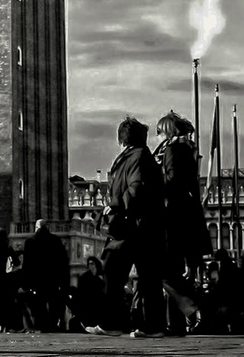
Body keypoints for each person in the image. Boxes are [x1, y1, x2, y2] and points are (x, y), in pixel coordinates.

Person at [87, 116, 165, 338]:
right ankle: (150, 326)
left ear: (122, 139)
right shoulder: (138, 156)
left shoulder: (136, 157)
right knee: (147, 277)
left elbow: (136, 188)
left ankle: (115, 324)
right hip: (142, 226)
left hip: (133, 226)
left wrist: (114, 205)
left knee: (115, 271)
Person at [153, 110, 210, 333]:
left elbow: (172, 180)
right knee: (173, 271)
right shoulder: (186, 148)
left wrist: (154, 183)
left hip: (174, 216)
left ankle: (191, 308)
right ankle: (176, 323)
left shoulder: (173, 149)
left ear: (167, 131)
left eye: (158, 131)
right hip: (184, 215)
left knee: (164, 271)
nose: (156, 136)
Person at [21, 218, 69, 332]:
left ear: (36, 228)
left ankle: (42, 325)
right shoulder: (56, 240)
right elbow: (63, 262)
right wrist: (63, 282)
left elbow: (27, 264)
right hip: (53, 279)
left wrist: (26, 283)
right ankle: (52, 324)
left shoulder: (31, 241)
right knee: (53, 304)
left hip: (37, 280)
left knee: (38, 305)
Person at [73, 256, 106, 330]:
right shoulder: (84, 277)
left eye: (92, 264)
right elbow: (80, 292)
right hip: (88, 303)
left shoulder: (101, 276)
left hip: (99, 302)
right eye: (89, 264)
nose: (91, 266)